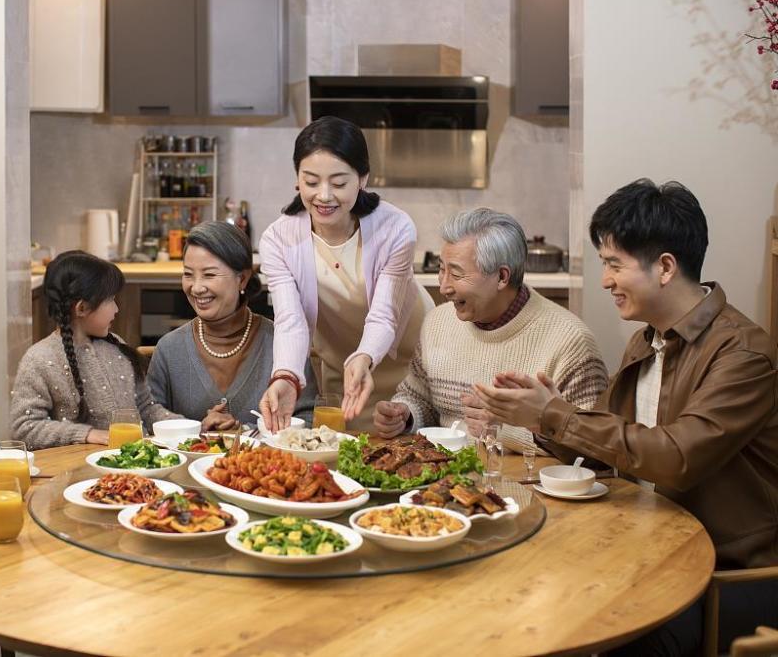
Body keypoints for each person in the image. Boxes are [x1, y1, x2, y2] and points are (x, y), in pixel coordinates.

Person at [473, 179, 778, 654]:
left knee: (575, 630)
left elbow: (675, 457)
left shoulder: (744, 353)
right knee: (519, 596)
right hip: (652, 546)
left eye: (614, 264)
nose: (605, 280)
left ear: (665, 268)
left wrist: (559, 416)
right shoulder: (649, 340)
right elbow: (609, 448)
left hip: (724, 575)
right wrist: (543, 415)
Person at [373, 208, 608, 452]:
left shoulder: (570, 342)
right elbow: (419, 398)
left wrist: (504, 430)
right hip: (443, 482)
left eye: (456, 273)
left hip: (524, 487)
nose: (444, 287)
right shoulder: (437, 322)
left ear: (502, 277)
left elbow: (594, 449)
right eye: (441, 269)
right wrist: (404, 415)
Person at [258, 115, 434, 433]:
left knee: (410, 448)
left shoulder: (395, 228)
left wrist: (364, 356)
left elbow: (385, 315)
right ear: (297, 178)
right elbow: (290, 321)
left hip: (409, 356)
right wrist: (285, 376)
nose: (324, 196)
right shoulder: (278, 239)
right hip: (341, 359)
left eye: (339, 183)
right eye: (311, 182)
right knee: (347, 451)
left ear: (362, 179)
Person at [148, 221, 317, 429]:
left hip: (268, 462)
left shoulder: (285, 344)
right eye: (188, 274)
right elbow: (148, 418)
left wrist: (246, 432)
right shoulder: (169, 349)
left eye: (209, 275)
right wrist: (196, 430)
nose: (197, 287)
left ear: (242, 279)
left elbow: (310, 421)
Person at [10, 251, 178, 448]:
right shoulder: (39, 359)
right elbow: (25, 427)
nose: (116, 309)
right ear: (81, 308)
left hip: (133, 469)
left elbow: (146, 408)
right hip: (76, 472)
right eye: (110, 300)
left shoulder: (116, 345)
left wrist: (191, 428)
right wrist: (88, 434)